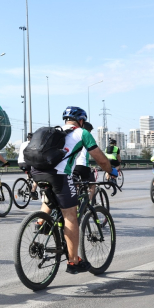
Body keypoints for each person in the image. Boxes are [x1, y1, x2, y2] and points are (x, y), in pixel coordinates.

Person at [31, 106, 116, 274]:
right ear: (82, 121)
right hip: (60, 175)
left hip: (37, 172)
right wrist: (111, 171)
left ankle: (41, 223)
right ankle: (72, 261)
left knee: (51, 198)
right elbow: (101, 159)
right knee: (70, 215)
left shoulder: (55, 131)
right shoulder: (83, 133)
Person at [72, 122, 97, 202]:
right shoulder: (87, 138)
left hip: (73, 166)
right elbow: (96, 154)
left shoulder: (74, 137)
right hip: (83, 165)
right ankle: (88, 203)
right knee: (92, 184)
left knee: (74, 184)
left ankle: (74, 201)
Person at [17, 132, 38, 200]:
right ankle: (33, 191)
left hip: (20, 163)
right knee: (36, 176)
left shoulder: (23, 143)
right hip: (27, 163)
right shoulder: (33, 144)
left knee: (29, 172)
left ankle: (27, 182)